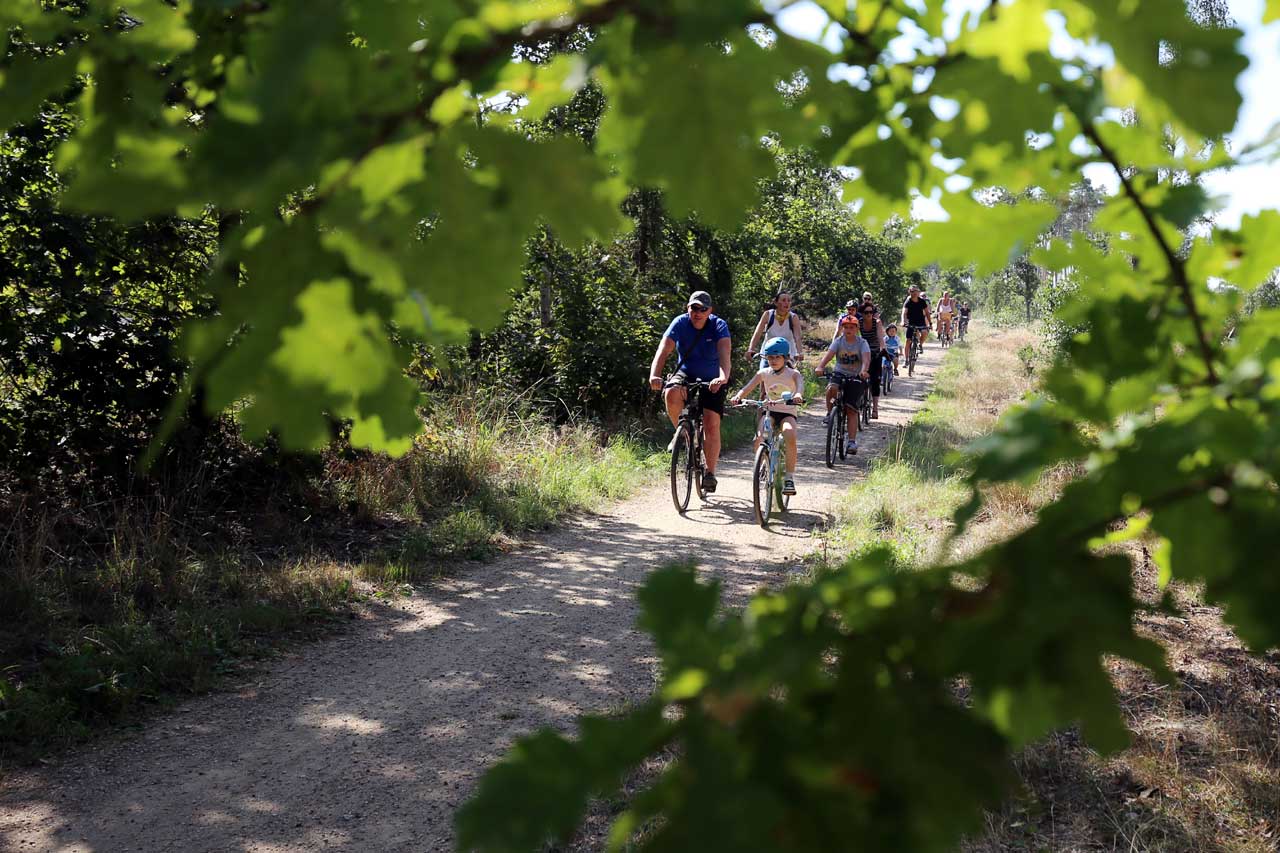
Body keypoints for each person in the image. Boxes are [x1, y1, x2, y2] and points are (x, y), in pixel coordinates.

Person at [649, 290, 732, 493]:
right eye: (694, 308)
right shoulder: (679, 323)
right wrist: (655, 375)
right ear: (688, 308)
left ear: (709, 311)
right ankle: (682, 433)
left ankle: (710, 473)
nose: (697, 312)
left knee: (712, 423)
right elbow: (663, 349)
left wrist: (722, 377)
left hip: (713, 377)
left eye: (702, 309)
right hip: (685, 373)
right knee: (671, 392)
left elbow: (724, 354)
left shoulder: (718, 326)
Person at [731, 337, 804, 495]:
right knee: (760, 435)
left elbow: (799, 386)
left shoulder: (793, 374)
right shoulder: (763, 373)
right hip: (769, 411)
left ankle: (789, 478)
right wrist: (738, 396)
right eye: (770, 357)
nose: (773, 360)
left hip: (787, 412)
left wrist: (797, 395)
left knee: (790, 433)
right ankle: (762, 463)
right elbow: (747, 387)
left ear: (785, 358)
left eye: (777, 357)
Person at [814, 315, 870, 455]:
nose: (848, 330)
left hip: (856, 375)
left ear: (857, 329)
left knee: (851, 410)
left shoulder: (862, 343)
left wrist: (864, 371)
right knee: (832, 388)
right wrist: (820, 367)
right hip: (839, 373)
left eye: (851, 327)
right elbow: (829, 355)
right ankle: (829, 413)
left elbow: (866, 359)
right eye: (845, 327)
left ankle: (851, 442)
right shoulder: (838, 341)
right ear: (842, 328)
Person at [747, 291, 803, 369]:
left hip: (787, 355)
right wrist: (751, 349)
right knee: (763, 376)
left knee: (789, 377)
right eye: (783, 300)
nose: (786, 303)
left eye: (789, 300)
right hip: (768, 355)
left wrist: (800, 352)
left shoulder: (793, 317)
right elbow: (758, 332)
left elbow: (798, 337)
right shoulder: (768, 315)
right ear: (776, 303)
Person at [854, 291, 885, 419]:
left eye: (870, 313)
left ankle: (875, 409)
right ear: (862, 313)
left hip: (875, 351)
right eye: (866, 313)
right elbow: (854, 336)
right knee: (857, 377)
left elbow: (880, 337)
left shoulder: (876, 322)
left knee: (875, 380)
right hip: (862, 351)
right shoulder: (858, 322)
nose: (868, 315)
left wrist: (883, 348)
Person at [900, 284, 932, 356]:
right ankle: (907, 360)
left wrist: (930, 323)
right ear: (909, 292)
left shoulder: (922, 301)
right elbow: (904, 312)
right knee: (908, 341)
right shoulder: (908, 301)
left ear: (918, 292)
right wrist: (903, 321)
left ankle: (920, 344)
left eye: (916, 291)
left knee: (925, 332)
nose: (914, 293)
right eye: (912, 291)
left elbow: (927, 313)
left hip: (920, 321)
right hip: (910, 321)